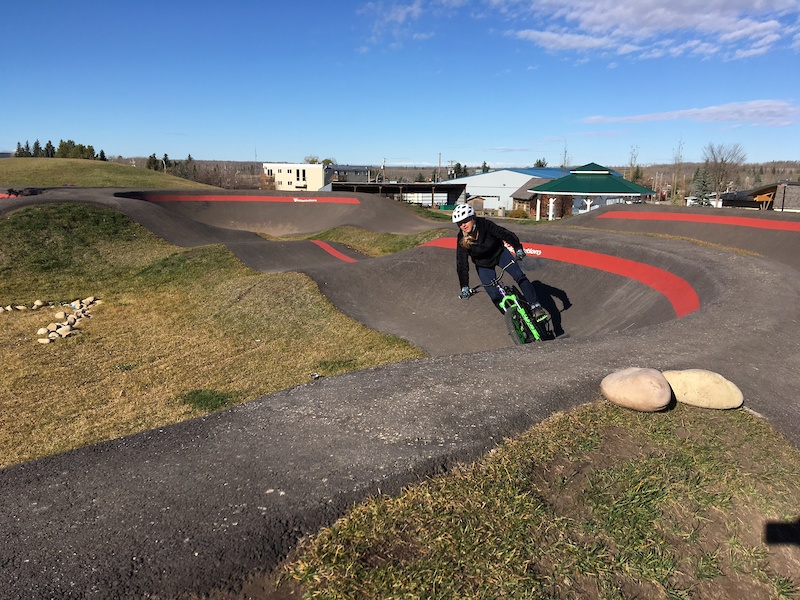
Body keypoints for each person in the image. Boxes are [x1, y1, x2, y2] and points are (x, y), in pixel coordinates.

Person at [453, 203, 548, 321]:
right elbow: (462, 263)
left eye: (465, 221)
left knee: (519, 276)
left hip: (500, 254)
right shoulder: (462, 239)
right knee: (494, 295)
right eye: (459, 223)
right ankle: (514, 321)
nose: (463, 225)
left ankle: (535, 306)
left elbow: (505, 234)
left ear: (473, 218)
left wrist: (518, 248)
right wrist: (464, 286)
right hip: (483, 265)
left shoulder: (485, 225)